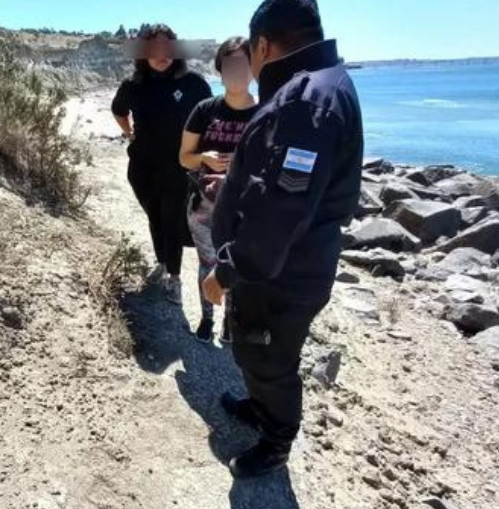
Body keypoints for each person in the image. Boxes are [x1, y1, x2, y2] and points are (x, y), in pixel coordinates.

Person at [203, 0, 364, 478]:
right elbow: (282, 185)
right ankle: (261, 407)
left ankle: (276, 443)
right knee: (258, 351)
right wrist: (234, 183)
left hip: (282, 271)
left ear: (264, 45)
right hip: (283, 264)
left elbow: (282, 212)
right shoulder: (321, 85)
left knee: (269, 357)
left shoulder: (306, 101)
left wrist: (226, 271)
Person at [112, 24, 212, 304]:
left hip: (179, 168)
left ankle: (175, 278)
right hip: (142, 169)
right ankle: (163, 263)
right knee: (154, 217)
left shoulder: (193, 83)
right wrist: (130, 133)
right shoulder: (133, 85)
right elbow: (118, 111)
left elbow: (212, 116)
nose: (161, 54)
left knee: (172, 219)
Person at [180, 37, 258, 344]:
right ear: (220, 70)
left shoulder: (266, 112)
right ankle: (207, 318)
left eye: (243, 64)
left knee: (237, 267)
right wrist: (204, 158)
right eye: (229, 65)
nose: (236, 71)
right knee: (208, 264)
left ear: (254, 68)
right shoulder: (205, 110)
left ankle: (230, 321)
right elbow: (183, 157)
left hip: (246, 209)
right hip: (205, 205)